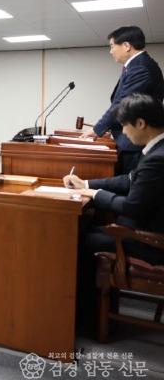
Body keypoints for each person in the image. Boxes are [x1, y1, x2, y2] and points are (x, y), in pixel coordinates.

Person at [64, 94, 164, 327]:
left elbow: (131, 207)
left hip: (152, 241)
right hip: (145, 227)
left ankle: (85, 318)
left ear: (141, 123)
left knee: (79, 240)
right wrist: (86, 183)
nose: (123, 133)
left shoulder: (158, 158)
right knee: (87, 230)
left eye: (124, 126)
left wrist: (95, 194)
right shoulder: (157, 149)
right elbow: (129, 180)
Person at [81, 26, 164, 173]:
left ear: (126, 46)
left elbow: (122, 104)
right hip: (133, 140)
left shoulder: (140, 68)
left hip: (135, 142)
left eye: (112, 46)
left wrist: (96, 129)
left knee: (131, 182)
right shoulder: (138, 65)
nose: (111, 51)